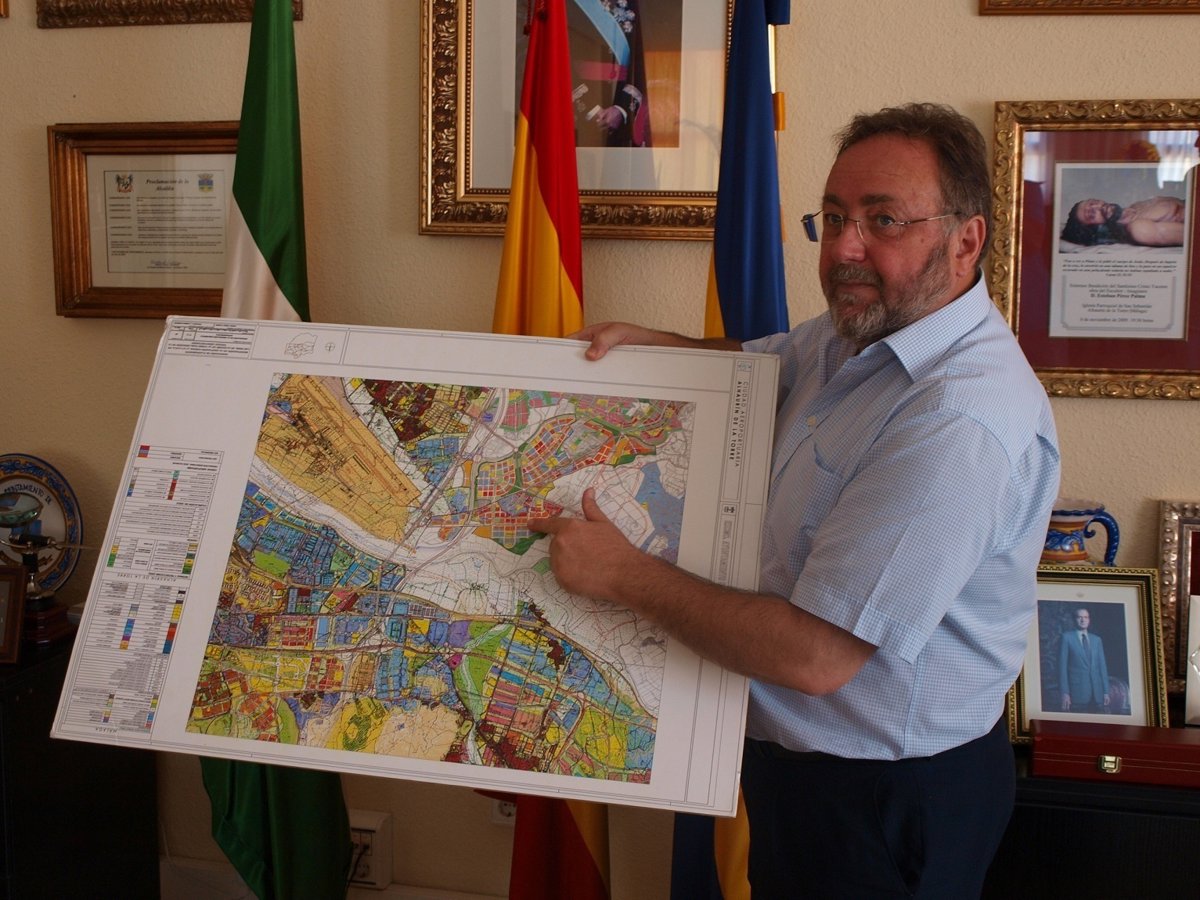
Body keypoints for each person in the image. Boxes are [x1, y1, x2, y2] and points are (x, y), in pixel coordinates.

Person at [530, 102, 1061, 897]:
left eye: (884, 220)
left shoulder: (957, 417)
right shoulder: (863, 333)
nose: (845, 248)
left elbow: (816, 657)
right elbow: (763, 364)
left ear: (965, 241)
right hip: (805, 778)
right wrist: (665, 350)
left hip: (884, 799)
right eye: (835, 217)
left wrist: (621, 573)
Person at [566, 0, 651, 147]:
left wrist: (621, 108)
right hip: (581, 106)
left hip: (623, 102)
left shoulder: (633, 3)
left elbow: (640, 60)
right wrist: (592, 108)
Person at [1061, 195, 1186, 247]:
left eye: (1093, 202)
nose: (1098, 207)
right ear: (1095, 229)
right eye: (1092, 214)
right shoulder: (1139, 229)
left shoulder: (1136, 206)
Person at [1058, 607, 1110, 713]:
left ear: (1089, 620)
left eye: (1086, 617)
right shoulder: (1066, 638)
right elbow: (1062, 668)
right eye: (1079, 617)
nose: (1083, 620)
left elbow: (1102, 667)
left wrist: (1106, 691)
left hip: (1097, 694)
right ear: (1074, 619)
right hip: (1077, 694)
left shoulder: (1097, 640)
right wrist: (1065, 693)